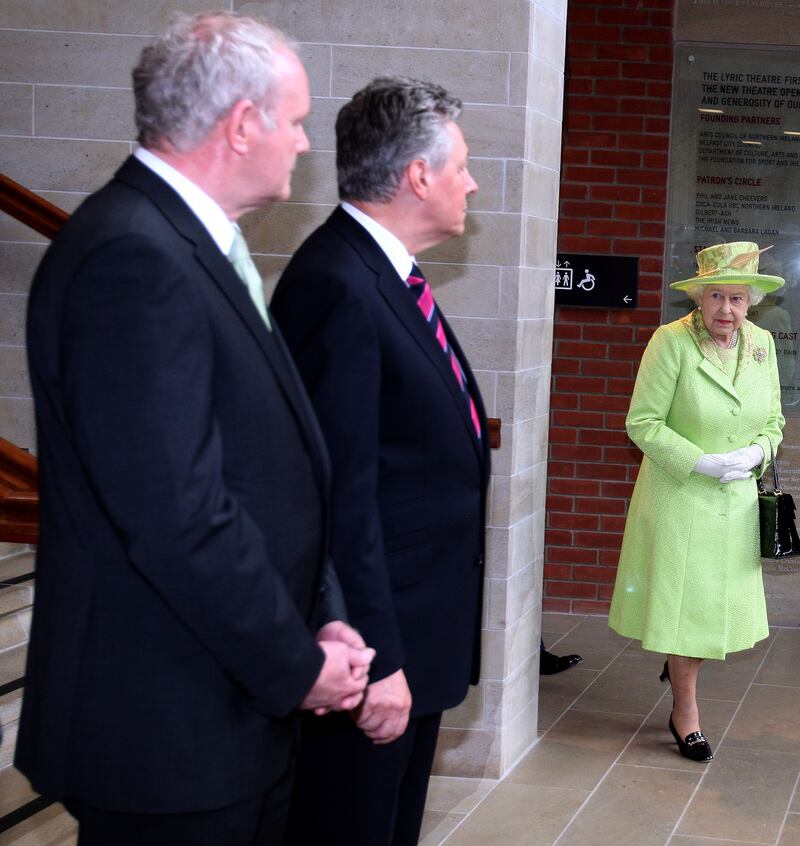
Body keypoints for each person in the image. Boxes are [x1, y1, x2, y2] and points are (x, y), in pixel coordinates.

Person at [15, 12, 374, 845]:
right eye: (293, 121)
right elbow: (176, 514)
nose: (303, 142)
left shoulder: (189, 246)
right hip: (165, 723)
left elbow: (267, 469)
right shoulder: (131, 256)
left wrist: (321, 615)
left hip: (226, 704)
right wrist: (297, 664)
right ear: (241, 124)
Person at [270, 76, 490, 846]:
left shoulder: (388, 275)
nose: (472, 181)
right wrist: (378, 660)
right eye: (461, 163)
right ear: (417, 175)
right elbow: (337, 499)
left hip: (415, 640)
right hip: (372, 655)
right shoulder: (338, 284)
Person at [608, 241, 785, 763]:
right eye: (715, 297)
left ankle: (680, 670)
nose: (725, 310)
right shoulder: (671, 343)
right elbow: (641, 422)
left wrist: (757, 451)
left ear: (751, 301)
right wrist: (701, 461)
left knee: (711, 610)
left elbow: (773, 420)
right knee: (688, 613)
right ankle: (685, 712)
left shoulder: (762, 344)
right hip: (681, 494)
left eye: (735, 298)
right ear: (699, 299)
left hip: (735, 500)